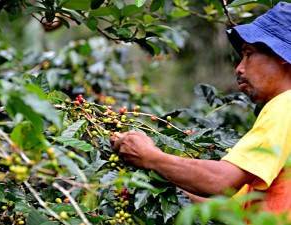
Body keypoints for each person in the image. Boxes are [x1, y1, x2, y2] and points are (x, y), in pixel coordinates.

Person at [110, 1, 291, 218]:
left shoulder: (285, 105)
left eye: (248, 54)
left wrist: (151, 157)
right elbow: (230, 208)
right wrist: (154, 174)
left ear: (281, 57)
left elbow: (222, 182)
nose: (239, 68)